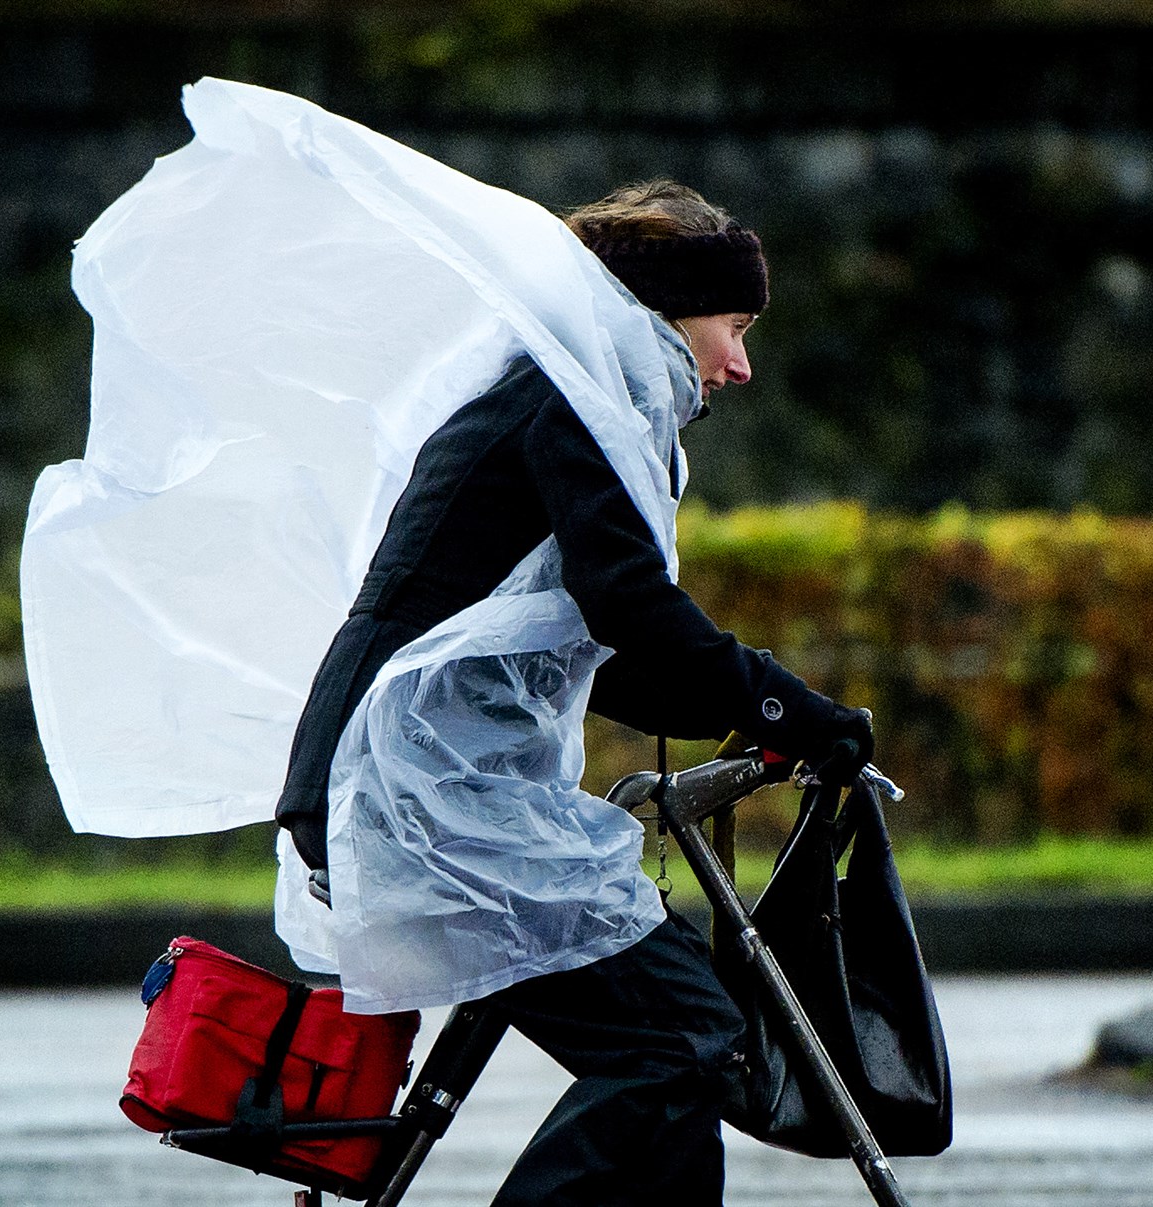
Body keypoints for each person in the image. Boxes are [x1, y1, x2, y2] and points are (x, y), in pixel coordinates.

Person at [274, 180, 875, 1207]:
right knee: (686, 1034)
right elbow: (631, 606)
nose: (739, 364)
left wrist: (757, 719)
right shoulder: (567, 400)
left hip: (429, 784)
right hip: (420, 796)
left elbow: (609, 646)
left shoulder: (567, 394)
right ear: (661, 310)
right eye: (730, 327)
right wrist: (787, 708)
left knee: (682, 1043)